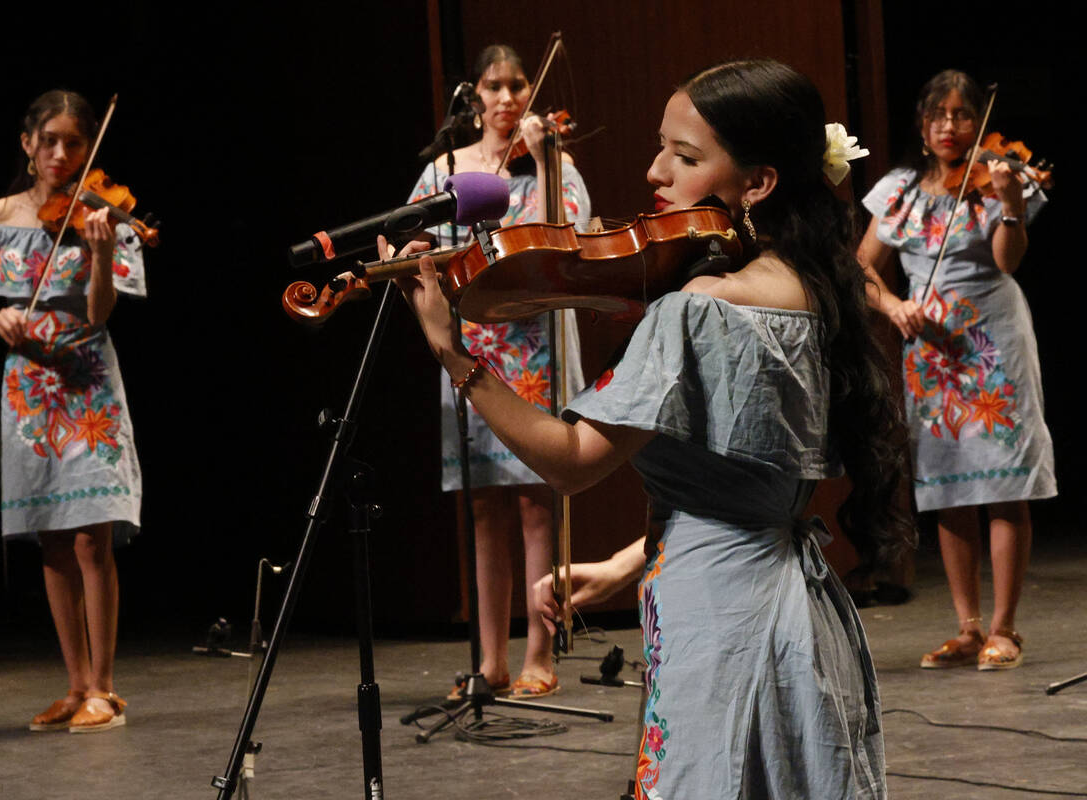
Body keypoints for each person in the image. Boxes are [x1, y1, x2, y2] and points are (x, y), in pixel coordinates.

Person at [387, 59, 910, 799]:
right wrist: (627, 564)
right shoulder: (815, 291)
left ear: (758, 182)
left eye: (686, 157)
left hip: (718, 624)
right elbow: (751, 489)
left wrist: (451, 352)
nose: (654, 170)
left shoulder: (698, 308)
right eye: (663, 145)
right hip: (794, 617)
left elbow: (570, 462)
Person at [0, 90, 145, 732]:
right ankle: (76, 685)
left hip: (88, 386)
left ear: (88, 149)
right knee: (53, 538)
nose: (60, 154)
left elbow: (101, 310)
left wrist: (102, 251)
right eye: (48, 140)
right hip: (29, 391)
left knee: (92, 535)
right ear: (27, 144)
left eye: (74, 143)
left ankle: (105, 688)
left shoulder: (103, 215)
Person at [406, 44, 591, 700]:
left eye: (518, 85)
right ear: (474, 95)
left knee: (537, 503)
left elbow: (571, 239)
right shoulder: (445, 171)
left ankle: (540, 652)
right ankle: (491, 661)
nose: (509, 97)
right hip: (474, 344)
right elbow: (417, 246)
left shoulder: (553, 163)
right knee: (484, 505)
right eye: (495, 85)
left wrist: (543, 160)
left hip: (537, 345)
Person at [858, 70, 1054, 671]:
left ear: (978, 124)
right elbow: (862, 266)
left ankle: (1005, 629)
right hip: (931, 352)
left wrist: (1012, 204)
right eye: (939, 115)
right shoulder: (899, 190)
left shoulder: (999, 181)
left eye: (963, 114)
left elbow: (1006, 261)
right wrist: (893, 305)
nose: (951, 125)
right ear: (922, 126)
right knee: (948, 487)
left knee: (1003, 481)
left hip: (991, 341)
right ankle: (967, 628)